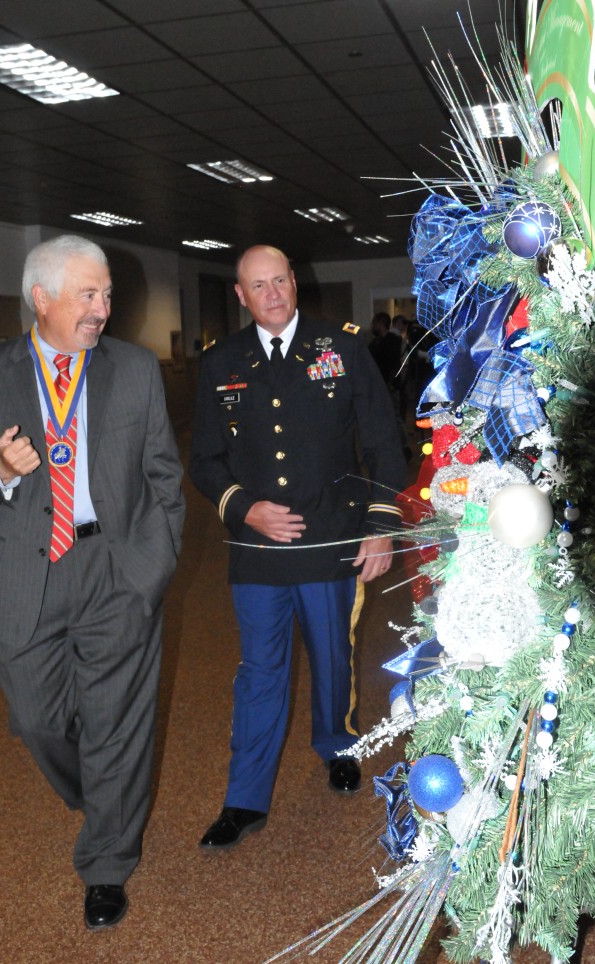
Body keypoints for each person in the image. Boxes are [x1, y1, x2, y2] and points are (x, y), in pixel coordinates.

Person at [0, 235, 185, 930]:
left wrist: (152, 567)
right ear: (43, 299)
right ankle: (102, 792)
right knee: (34, 719)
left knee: (118, 723)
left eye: (107, 294)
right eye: (88, 295)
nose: (103, 308)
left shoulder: (134, 370)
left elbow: (163, 478)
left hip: (115, 570)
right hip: (29, 570)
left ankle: (107, 863)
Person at [190, 245, 406, 850]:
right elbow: (204, 459)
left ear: (294, 280)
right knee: (260, 672)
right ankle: (244, 798)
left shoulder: (340, 349)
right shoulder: (221, 363)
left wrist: (381, 521)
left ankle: (337, 746)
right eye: (257, 286)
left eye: (280, 280)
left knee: (334, 657)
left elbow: (383, 439)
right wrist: (243, 507)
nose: (273, 293)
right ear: (241, 295)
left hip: (332, 537)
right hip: (257, 551)